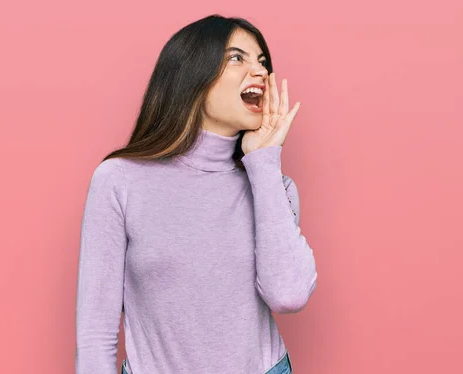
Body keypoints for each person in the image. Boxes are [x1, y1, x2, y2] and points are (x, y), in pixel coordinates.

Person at [75, 14, 318, 374]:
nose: (260, 72)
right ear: (192, 75)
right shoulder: (120, 181)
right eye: (238, 58)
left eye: (263, 62)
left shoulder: (273, 187)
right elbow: (96, 332)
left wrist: (264, 162)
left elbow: (289, 295)